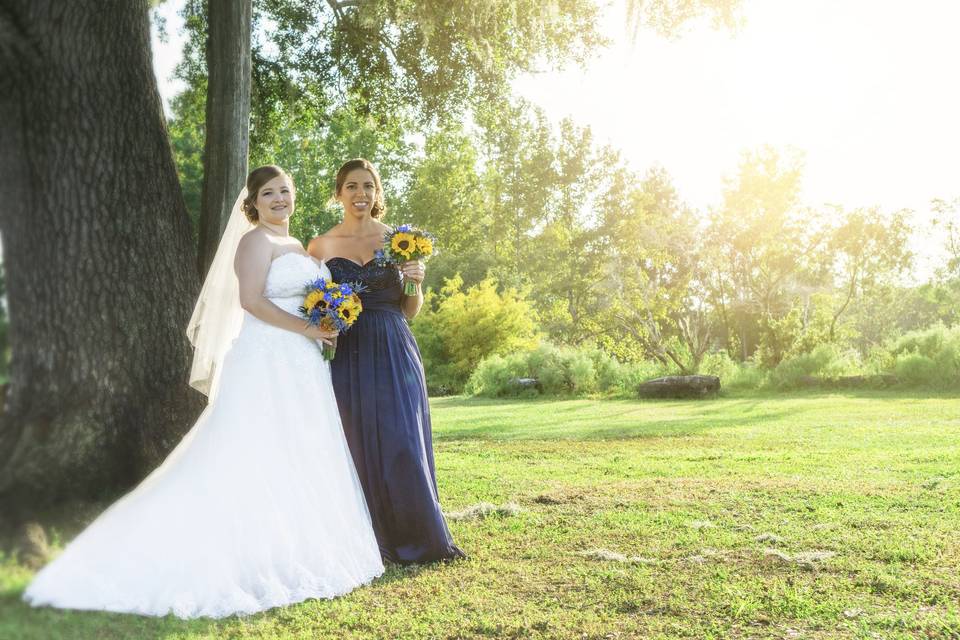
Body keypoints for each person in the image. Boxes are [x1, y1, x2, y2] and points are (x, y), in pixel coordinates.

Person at [23, 166, 383, 619]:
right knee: (248, 452)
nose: (278, 200)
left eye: (285, 192)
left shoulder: (295, 245)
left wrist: (325, 322)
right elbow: (251, 301)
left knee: (295, 450)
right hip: (266, 358)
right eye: (268, 193)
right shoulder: (253, 241)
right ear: (252, 202)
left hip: (301, 367)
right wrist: (310, 328)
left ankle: (289, 543)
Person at [308, 158, 465, 564]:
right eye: (352, 186)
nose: (361, 194)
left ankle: (419, 537)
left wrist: (416, 279)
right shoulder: (320, 246)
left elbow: (411, 309)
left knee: (401, 439)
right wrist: (326, 320)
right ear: (339, 192)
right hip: (348, 352)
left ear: (378, 193)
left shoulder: (399, 241)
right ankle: (368, 542)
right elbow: (316, 305)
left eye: (368, 186)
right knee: (355, 440)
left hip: (394, 344)